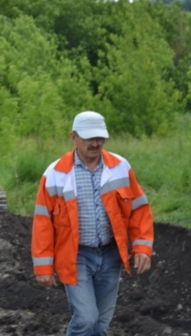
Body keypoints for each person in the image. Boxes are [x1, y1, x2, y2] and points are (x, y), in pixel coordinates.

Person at [31, 111, 154, 336]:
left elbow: (139, 209)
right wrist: (43, 267)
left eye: (100, 138)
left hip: (110, 256)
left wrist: (142, 246)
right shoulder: (55, 174)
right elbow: (43, 222)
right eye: (89, 138)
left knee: (101, 325)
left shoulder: (120, 167)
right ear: (74, 137)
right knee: (86, 320)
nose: (96, 143)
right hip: (77, 256)